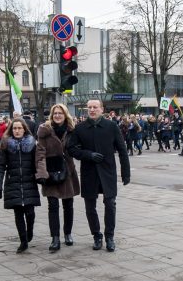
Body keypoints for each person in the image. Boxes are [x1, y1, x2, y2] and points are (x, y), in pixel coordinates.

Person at [67, 99, 130, 252]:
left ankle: (109, 237)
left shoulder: (111, 126)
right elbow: (71, 149)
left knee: (110, 204)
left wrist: (125, 173)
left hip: (107, 171)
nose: (92, 110)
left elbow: (122, 150)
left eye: (95, 107)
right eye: (89, 107)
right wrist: (88, 155)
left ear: (102, 109)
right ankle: (96, 235)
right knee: (90, 207)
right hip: (89, 172)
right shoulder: (80, 128)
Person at [36, 104, 80, 251]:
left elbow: (78, 148)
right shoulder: (45, 131)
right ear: (52, 115)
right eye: (55, 113)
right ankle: (55, 238)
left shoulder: (72, 130)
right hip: (50, 172)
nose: (58, 115)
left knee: (68, 205)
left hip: (67, 171)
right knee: (53, 206)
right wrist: (42, 172)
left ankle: (67, 233)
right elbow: (40, 153)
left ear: (65, 114)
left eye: (60, 113)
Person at [0, 118, 40, 253]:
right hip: (12, 182)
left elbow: (38, 163)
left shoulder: (32, 144)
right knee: (18, 213)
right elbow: (1, 166)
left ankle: (30, 230)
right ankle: (23, 240)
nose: (17, 131)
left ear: (24, 129)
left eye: (19, 128)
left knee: (30, 212)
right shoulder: (5, 144)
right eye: (14, 128)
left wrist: (41, 177)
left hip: (29, 181)